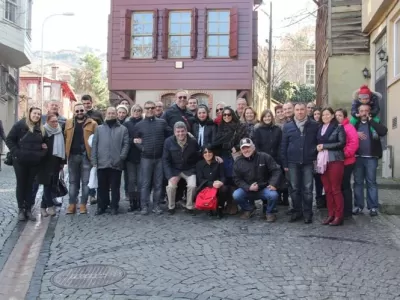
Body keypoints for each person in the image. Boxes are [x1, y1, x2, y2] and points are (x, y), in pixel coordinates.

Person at [6, 107, 48, 221]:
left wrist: (42, 154)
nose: (37, 116)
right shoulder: (19, 125)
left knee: (30, 185)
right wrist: (16, 152)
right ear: (29, 113)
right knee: (21, 184)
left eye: (39, 114)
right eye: (35, 113)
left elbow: (45, 144)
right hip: (20, 161)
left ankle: (28, 210)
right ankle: (21, 209)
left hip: (34, 161)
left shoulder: (41, 129)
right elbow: (9, 139)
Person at [281, 102, 319, 224]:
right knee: (294, 188)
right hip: (292, 162)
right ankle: (297, 211)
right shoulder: (287, 126)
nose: (300, 112)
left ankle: (308, 213)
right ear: (294, 111)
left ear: (306, 111)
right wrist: (285, 164)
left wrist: (315, 157)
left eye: (302, 109)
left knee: (308, 189)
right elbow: (284, 146)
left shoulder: (314, 125)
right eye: (297, 110)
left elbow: (317, 142)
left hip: (308, 161)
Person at [134, 101, 172, 214]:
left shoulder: (162, 122)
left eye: (152, 108)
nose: (150, 110)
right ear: (144, 110)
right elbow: (135, 140)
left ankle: (156, 205)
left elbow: (170, 135)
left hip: (160, 158)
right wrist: (142, 148)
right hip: (146, 158)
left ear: (155, 109)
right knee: (145, 183)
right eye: (147, 108)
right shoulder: (139, 125)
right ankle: (144, 206)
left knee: (158, 183)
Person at [91, 107, 129, 215]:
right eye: (109, 113)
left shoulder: (123, 129)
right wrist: (94, 159)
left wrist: (121, 157)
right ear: (105, 114)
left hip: (116, 163)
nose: (111, 115)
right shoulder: (99, 128)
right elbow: (94, 144)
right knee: (102, 187)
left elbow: (126, 144)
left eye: (113, 113)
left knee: (115, 187)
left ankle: (114, 206)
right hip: (102, 162)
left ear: (116, 114)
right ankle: (101, 206)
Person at [232, 138, 281, 222]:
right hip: (248, 189)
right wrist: (248, 187)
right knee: (236, 195)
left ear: (253, 147)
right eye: (243, 148)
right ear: (240, 150)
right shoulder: (238, 161)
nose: (246, 150)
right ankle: (249, 209)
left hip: (264, 188)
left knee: (273, 195)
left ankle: (269, 212)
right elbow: (237, 178)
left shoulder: (264, 156)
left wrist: (273, 184)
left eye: (248, 147)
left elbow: (276, 170)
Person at [352, 104, 388, 217]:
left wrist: (371, 121)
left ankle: (373, 207)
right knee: (358, 183)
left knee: (371, 182)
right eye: (361, 111)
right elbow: (346, 133)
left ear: (369, 112)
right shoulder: (355, 123)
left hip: (371, 158)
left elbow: (383, 131)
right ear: (358, 112)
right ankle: (358, 206)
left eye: (366, 111)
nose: (363, 113)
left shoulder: (374, 122)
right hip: (358, 158)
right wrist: (355, 133)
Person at [64, 103, 98, 214]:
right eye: (77, 111)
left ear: (85, 111)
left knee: (86, 182)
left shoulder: (93, 124)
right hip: (73, 156)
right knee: (73, 182)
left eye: (81, 110)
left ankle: (83, 204)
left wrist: (95, 158)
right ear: (74, 112)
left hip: (86, 157)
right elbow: (65, 138)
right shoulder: (69, 123)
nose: (79, 113)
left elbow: (96, 141)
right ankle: (72, 204)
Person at [316, 107, 346, 226]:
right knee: (327, 190)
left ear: (333, 115)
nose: (325, 117)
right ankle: (331, 214)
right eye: (323, 115)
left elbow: (341, 143)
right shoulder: (320, 128)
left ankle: (339, 216)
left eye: (327, 114)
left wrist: (324, 146)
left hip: (335, 160)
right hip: (323, 161)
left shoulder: (339, 127)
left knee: (335, 189)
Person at [163, 122, 200, 215]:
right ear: (174, 132)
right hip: (175, 170)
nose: (180, 134)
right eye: (178, 131)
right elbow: (165, 160)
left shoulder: (193, 142)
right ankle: (171, 206)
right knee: (171, 186)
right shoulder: (168, 142)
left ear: (186, 131)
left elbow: (198, 157)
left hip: (189, 169)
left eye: (182, 131)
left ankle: (189, 206)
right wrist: (170, 176)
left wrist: (194, 170)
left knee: (192, 185)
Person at [253, 109, 287, 206]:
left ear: (272, 117)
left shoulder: (277, 129)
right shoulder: (258, 130)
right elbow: (257, 145)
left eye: (269, 116)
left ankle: (276, 201)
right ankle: (265, 204)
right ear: (262, 118)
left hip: (276, 159)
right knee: (265, 181)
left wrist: (280, 158)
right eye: (265, 116)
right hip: (263, 159)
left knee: (276, 180)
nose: (267, 118)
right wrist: (261, 157)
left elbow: (281, 144)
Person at [36, 114, 66, 217]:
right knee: (47, 185)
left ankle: (43, 207)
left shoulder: (59, 130)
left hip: (56, 162)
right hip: (45, 163)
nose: (55, 123)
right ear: (47, 121)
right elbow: (37, 145)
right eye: (53, 121)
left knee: (52, 184)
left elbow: (63, 147)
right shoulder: (43, 131)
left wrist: (62, 162)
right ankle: (50, 206)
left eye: (56, 121)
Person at [335, 108, 359, 219]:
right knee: (338, 186)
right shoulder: (335, 127)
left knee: (345, 186)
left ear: (344, 116)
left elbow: (353, 143)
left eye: (340, 115)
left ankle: (347, 210)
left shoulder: (349, 127)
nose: (337, 117)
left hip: (347, 161)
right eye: (336, 115)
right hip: (337, 162)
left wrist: (343, 154)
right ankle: (340, 208)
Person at [196, 145, 228, 219]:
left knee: (224, 189)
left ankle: (220, 207)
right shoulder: (199, 164)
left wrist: (221, 182)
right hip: (206, 185)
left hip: (218, 185)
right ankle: (208, 208)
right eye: (205, 152)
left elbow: (223, 176)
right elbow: (200, 179)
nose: (207, 154)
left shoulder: (218, 162)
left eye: (210, 152)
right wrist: (212, 184)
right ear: (202, 154)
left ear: (213, 153)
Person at [123, 104, 143, 211]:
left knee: (140, 181)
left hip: (141, 156)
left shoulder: (144, 123)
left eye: (139, 110)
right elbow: (124, 139)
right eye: (135, 110)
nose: (137, 112)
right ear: (131, 111)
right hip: (130, 156)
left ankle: (139, 202)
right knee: (131, 180)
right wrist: (133, 140)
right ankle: (132, 203)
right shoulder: (127, 124)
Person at [312, 107, 325, 208]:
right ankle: (318, 198)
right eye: (315, 114)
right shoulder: (311, 126)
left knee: (323, 179)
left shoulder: (324, 126)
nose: (317, 116)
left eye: (318, 114)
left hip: (324, 155)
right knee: (317, 179)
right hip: (314, 156)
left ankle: (323, 198)